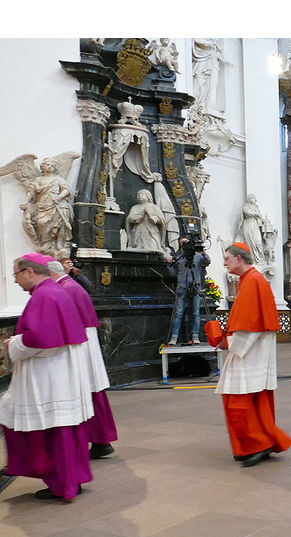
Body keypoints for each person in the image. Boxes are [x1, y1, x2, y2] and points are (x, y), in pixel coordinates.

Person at [0, 253, 93, 500]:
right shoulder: (54, 291)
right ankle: (71, 480)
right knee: (63, 428)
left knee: (51, 430)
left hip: (48, 376)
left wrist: (13, 344)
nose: (16, 281)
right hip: (58, 373)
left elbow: (40, 338)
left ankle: (63, 485)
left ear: (30, 272)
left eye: (17, 275)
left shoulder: (45, 295)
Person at [216, 242, 291, 467]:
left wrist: (227, 342)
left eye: (227, 258)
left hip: (248, 353)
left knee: (239, 401)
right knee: (254, 401)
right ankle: (258, 444)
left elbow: (249, 326)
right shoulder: (251, 280)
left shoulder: (252, 281)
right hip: (253, 351)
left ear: (239, 259)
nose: (224, 262)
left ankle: (256, 445)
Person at [48, 260, 118, 460]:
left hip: (80, 347)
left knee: (87, 392)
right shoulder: (70, 287)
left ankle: (97, 441)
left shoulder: (65, 288)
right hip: (87, 344)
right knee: (93, 390)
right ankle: (101, 441)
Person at [22, 158, 73, 254]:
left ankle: (59, 244)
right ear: (42, 167)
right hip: (44, 206)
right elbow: (31, 191)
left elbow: (67, 190)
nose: (50, 167)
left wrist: (59, 197)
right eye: (48, 164)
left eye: (52, 165)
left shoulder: (58, 179)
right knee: (41, 223)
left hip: (58, 205)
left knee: (60, 225)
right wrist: (25, 202)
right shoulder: (39, 180)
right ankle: (47, 242)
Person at [166, 237, 211, 345]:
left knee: (196, 313)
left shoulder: (198, 256)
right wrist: (169, 264)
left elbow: (207, 261)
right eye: (183, 243)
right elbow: (172, 273)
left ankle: (195, 336)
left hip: (196, 286)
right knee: (179, 313)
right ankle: (174, 337)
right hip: (182, 287)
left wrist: (204, 253)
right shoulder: (180, 258)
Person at [125, 189, 168, 255]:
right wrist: (139, 218)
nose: (140, 196)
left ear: (148, 196)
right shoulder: (135, 207)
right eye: (138, 194)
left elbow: (161, 219)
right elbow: (129, 218)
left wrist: (151, 217)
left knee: (153, 246)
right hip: (139, 231)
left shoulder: (154, 207)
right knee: (139, 246)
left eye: (142, 194)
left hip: (151, 231)